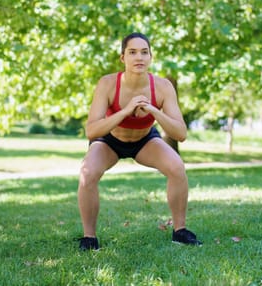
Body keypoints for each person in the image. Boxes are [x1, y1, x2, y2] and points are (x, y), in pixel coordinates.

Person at [77, 32, 202, 251]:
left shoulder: (162, 87)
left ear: (151, 57)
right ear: (122, 57)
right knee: (88, 173)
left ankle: (180, 231)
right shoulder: (107, 84)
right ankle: (89, 238)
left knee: (177, 167)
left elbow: (180, 133)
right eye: (132, 52)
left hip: (144, 140)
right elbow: (91, 130)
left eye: (144, 52)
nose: (139, 57)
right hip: (109, 140)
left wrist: (154, 110)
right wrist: (125, 111)